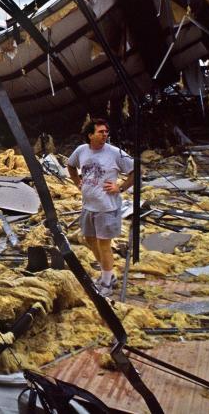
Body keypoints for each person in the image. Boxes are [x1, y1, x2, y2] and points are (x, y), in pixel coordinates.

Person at [66, 118, 134, 295]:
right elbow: (71, 166)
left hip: (107, 207)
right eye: (100, 132)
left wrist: (120, 187)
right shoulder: (81, 150)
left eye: (106, 132)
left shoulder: (115, 153)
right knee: (89, 239)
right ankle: (107, 273)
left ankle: (107, 282)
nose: (105, 134)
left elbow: (136, 171)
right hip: (88, 206)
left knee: (104, 244)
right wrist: (77, 183)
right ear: (90, 135)